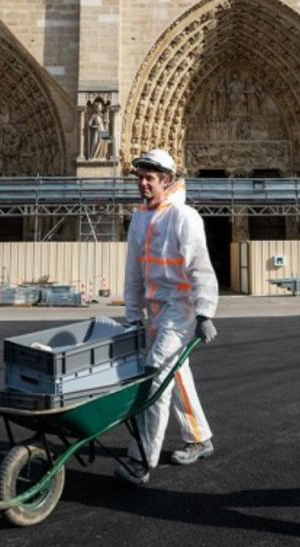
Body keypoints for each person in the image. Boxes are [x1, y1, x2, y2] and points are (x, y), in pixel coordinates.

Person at [115, 148, 220, 485]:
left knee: (155, 374)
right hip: (156, 309)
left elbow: (200, 268)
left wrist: (205, 313)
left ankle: (141, 458)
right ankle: (199, 437)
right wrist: (133, 315)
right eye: (140, 178)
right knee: (176, 372)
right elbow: (133, 273)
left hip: (182, 307)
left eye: (150, 178)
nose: (142, 184)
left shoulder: (184, 217)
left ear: (166, 180)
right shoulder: (139, 218)